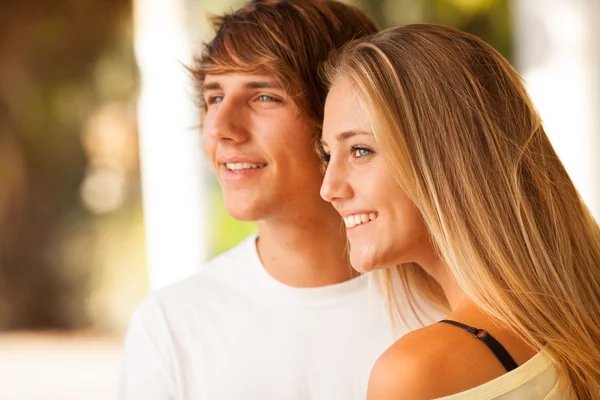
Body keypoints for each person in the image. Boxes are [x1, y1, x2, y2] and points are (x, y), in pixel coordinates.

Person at [120, 3, 443, 399]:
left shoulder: (450, 305)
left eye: (264, 97)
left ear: (341, 109)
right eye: (214, 97)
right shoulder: (170, 328)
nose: (221, 127)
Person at [320, 24, 600, 399]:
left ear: (447, 161)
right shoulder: (572, 325)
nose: (329, 188)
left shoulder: (416, 372)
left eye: (360, 150)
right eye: (326, 155)